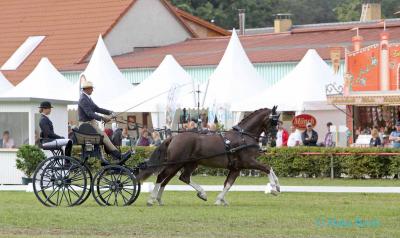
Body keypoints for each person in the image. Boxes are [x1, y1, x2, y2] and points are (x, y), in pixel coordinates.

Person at [78, 80, 131, 160]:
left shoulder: (87, 98)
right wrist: (102, 118)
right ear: (87, 89)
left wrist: (109, 112)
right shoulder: (83, 99)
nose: (92, 90)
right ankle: (117, 156)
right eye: (91, 88)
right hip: (87, 125)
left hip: (91, 124)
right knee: (104, 137)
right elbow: (89, 114)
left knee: (105, 137)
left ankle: (114, 155)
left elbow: (97, 109)